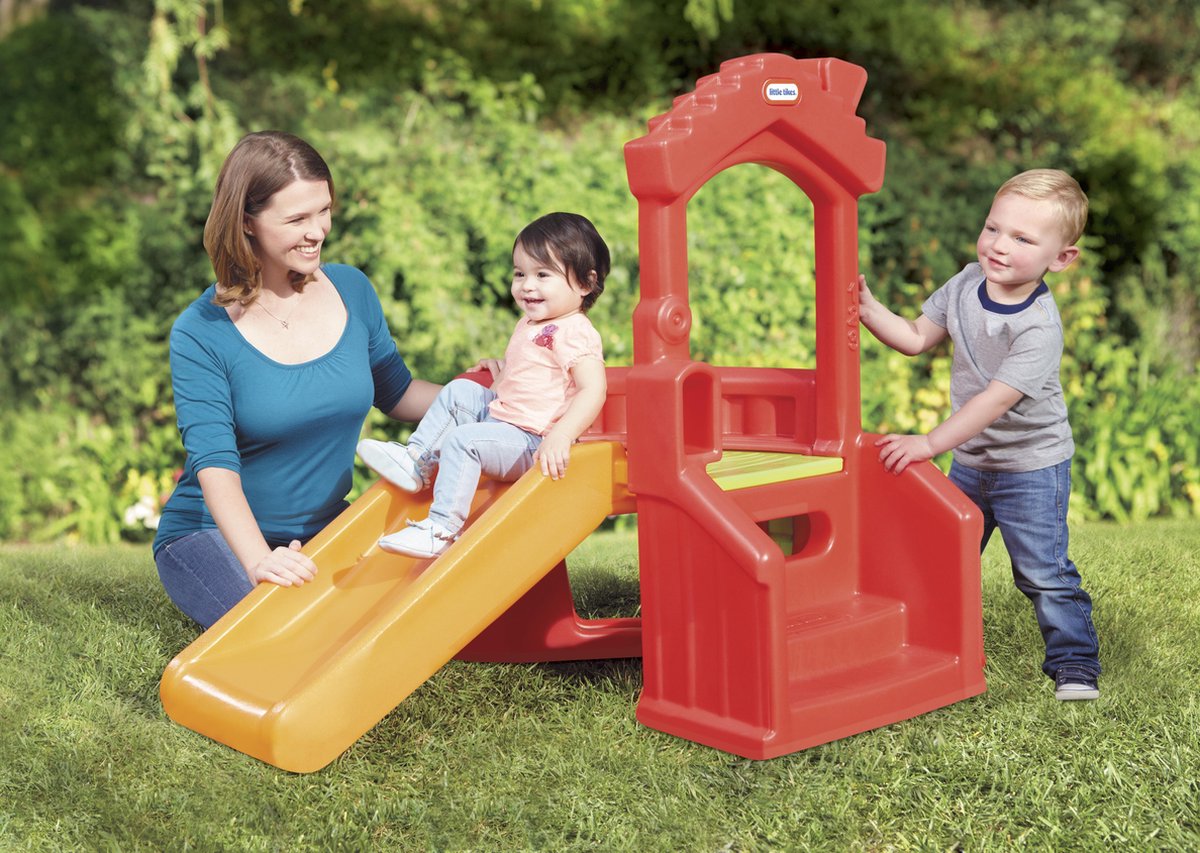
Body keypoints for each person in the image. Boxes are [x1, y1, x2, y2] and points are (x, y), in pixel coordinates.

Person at [153, 131, 440, 629]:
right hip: (212, 534)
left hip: (323, 527)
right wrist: (258, 560)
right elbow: (214, 464)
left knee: (399, 615)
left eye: (323, 211)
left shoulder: (351, 288)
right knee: (280, 633)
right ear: (247, 221)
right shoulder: (201, 332)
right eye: (297, 219)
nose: (318, 231)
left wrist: (488, 395)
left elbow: (398, 393)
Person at [857, 168, 1101, 701]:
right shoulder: (966, 282)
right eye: (994, 228)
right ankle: (927, 645)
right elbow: (918, 337)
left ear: (1062, 258)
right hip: (972, 462)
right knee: (943, 555)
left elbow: (993, 400)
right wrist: (869, 309)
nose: (1000, 245)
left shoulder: (1039, 326)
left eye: (1022, 238)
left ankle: (1075, 665)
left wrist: (927, 444)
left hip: (1031, 467)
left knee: (1042, 572)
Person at [357, 212, 609, 558]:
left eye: (542, 275)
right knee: (460, 391)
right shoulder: (532, 322)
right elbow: (535, 376)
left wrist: (561, 436)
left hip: (531, 440)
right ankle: (418, 460)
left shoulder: (575, 332)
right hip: (503, 421)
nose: (527, 285)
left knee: (463, 441)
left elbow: (592, 389)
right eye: (520, 273)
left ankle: (442, 529)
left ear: (585, 282)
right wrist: (502, 370)